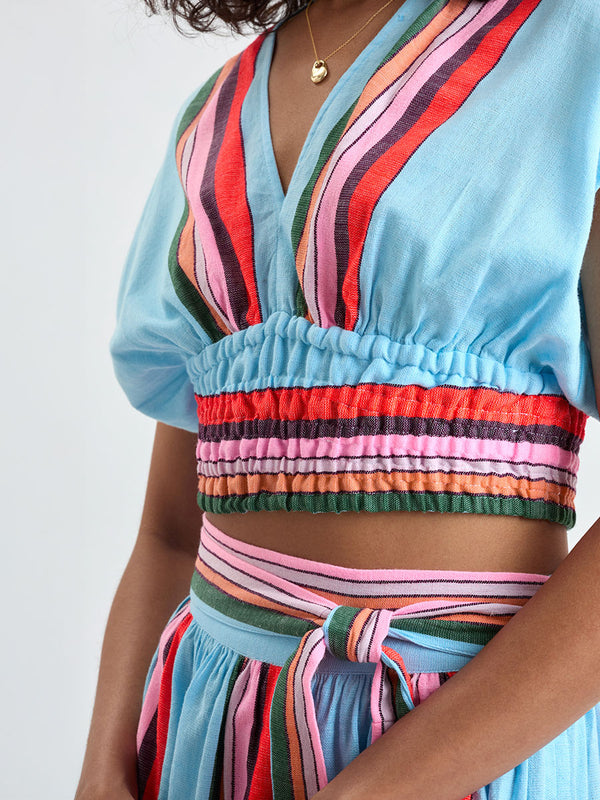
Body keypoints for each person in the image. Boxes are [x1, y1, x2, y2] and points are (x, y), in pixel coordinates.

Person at [75, 0, 600, 798]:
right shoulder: (214, 113)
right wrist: (103, 770)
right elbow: (172, 534)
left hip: (464, 746)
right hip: (202, 726)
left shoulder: (572, 43)